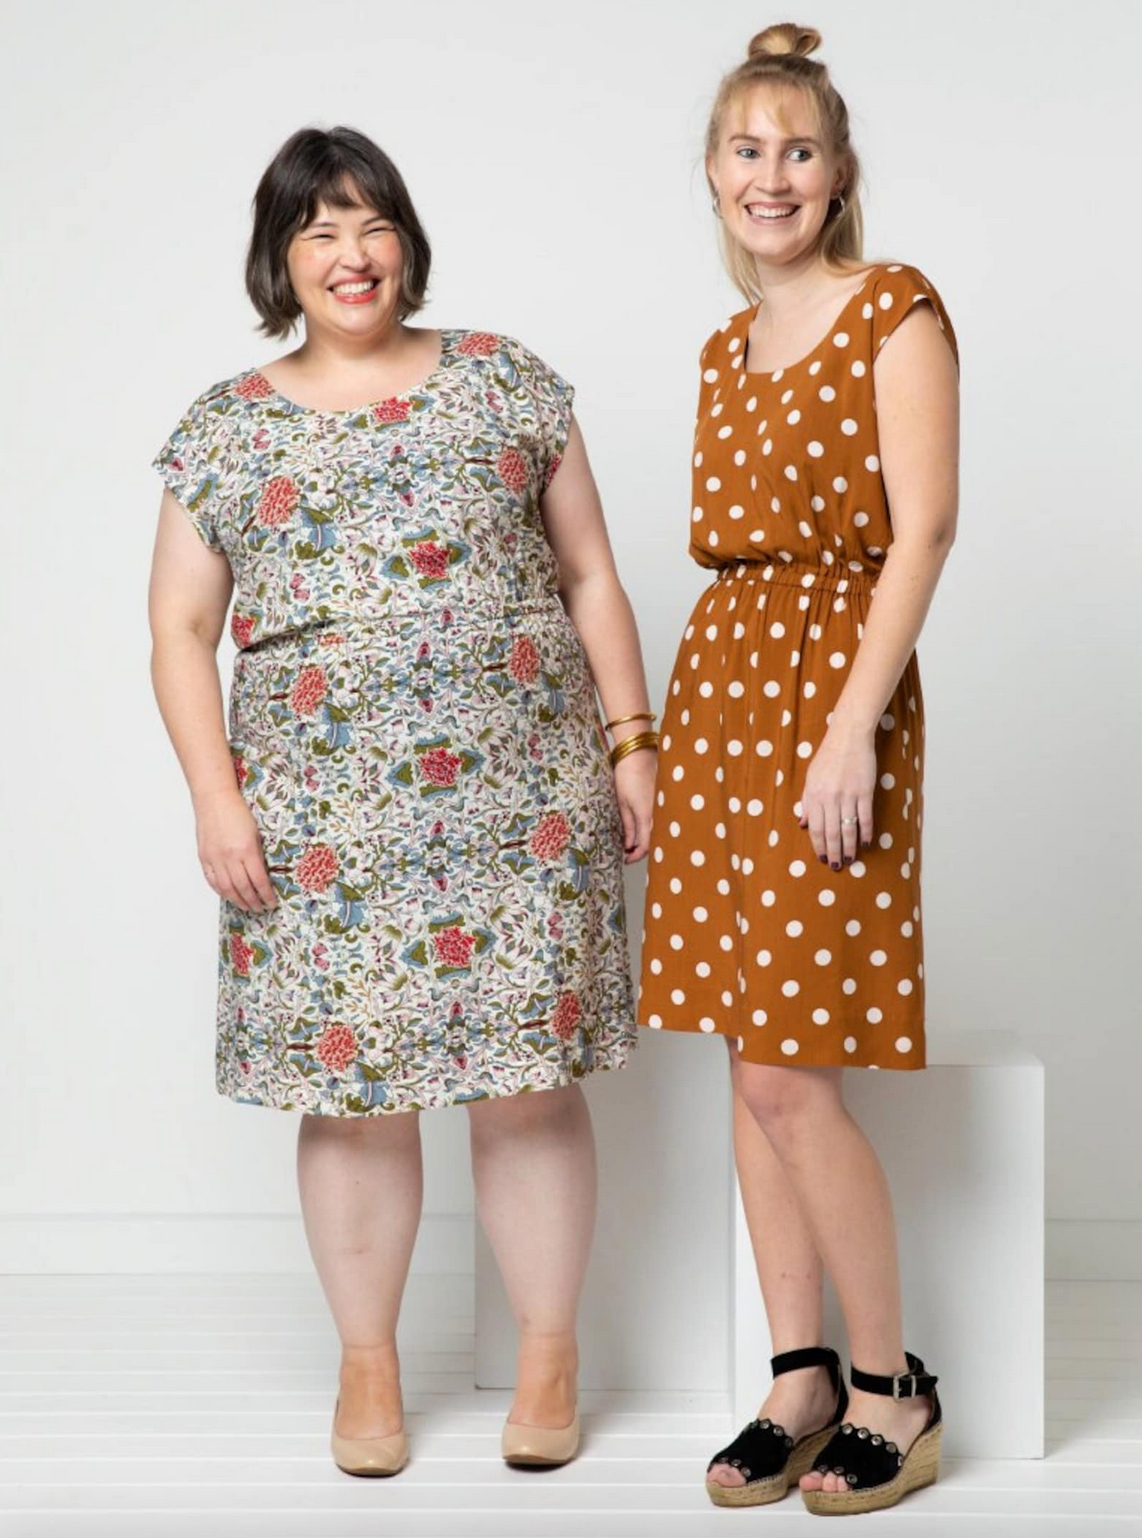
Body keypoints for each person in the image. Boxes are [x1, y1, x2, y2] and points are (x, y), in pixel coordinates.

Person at [148, 125, 657, 1478]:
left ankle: (548, 1352)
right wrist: (216, 797)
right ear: (280, 260)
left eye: (369, 224)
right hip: (323, 815)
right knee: (353, 1096)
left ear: (406, 241)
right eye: (316, 231)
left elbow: (593, 574)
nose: (349, 253)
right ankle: (365, 1364)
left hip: (524, 798)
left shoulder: (507, 382)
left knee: (530, 1084)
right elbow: (176, 629)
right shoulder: (223, 427)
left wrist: (631, 741)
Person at [638, 23, 959, 1517]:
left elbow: (923, 533)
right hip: (722, 695)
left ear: (838, 177)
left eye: (799, 150)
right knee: (739, 1049)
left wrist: (848, 724)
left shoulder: (892, 310)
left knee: (788, 1064)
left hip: (830, 692)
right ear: (711, 174)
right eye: (746, 149)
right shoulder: (722, 344)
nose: (771, 175)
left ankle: (894, 1387)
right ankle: (795, 1372)